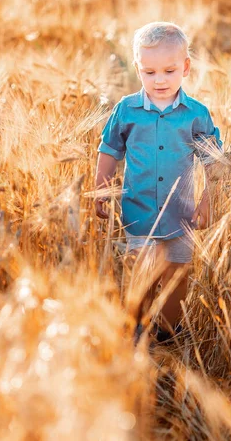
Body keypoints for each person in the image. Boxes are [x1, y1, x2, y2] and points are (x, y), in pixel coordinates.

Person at [95, 21, 223, 345]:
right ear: (138, 69)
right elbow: (109, 149)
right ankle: (139, 326)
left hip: (181, 214)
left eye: (169, 70)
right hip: (139, 212)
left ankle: (168, 329)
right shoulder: (127, 110)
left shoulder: (196, 114)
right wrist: (101, 189)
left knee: (178, 273)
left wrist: (208, 199)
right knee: (144, 272)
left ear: (186, 68)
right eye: (149, 72)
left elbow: (213, 161)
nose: (160, 80)